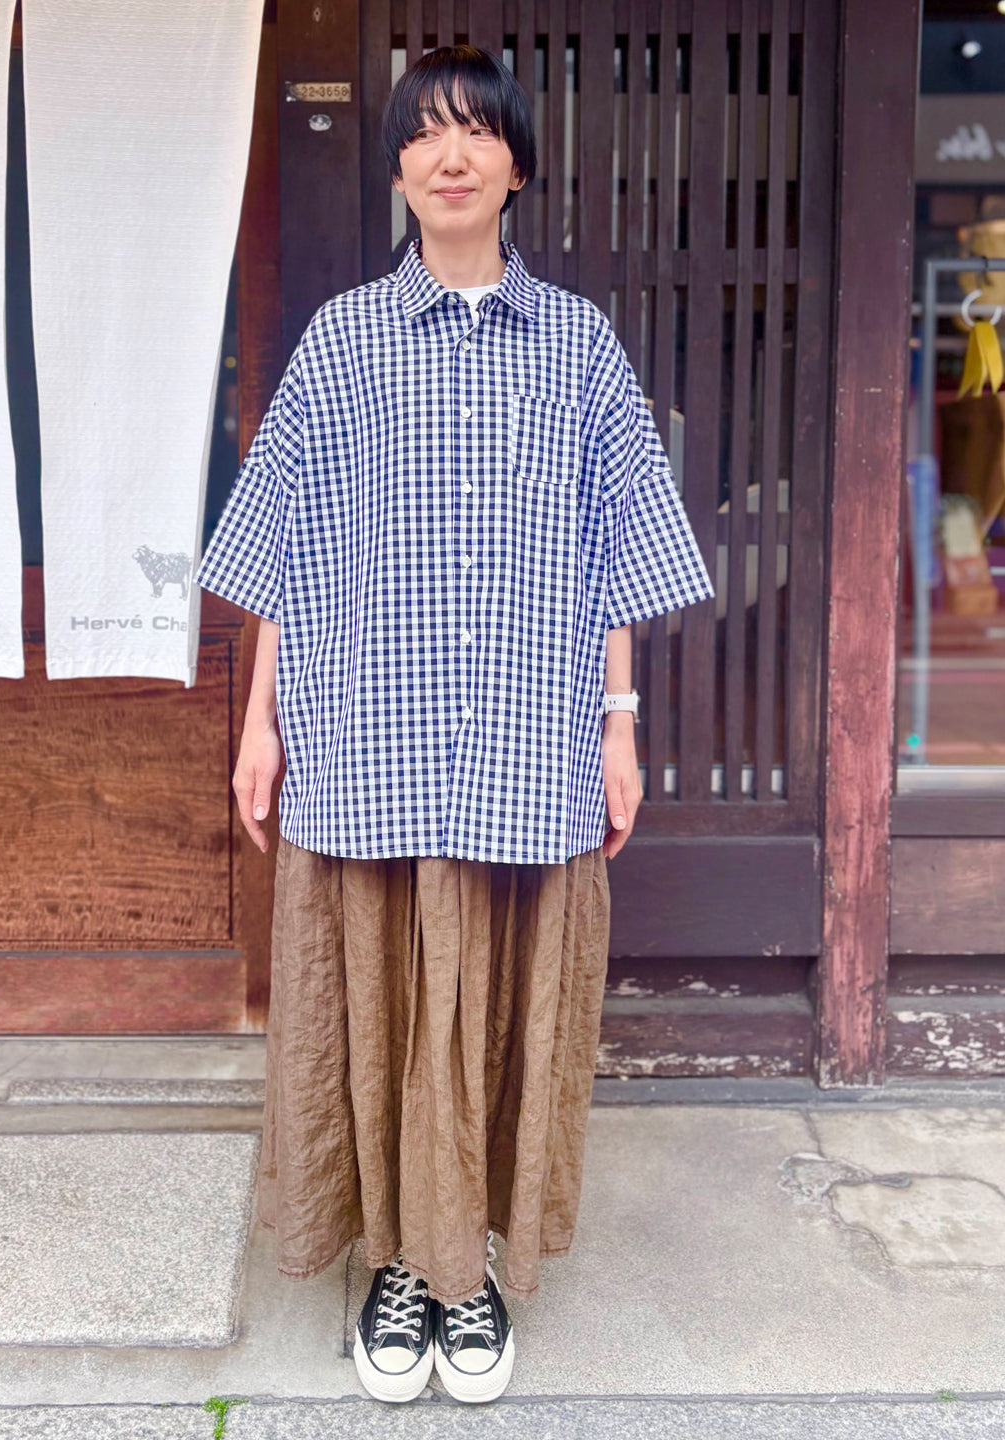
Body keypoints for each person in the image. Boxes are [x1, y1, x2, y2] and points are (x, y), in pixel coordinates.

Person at [193, 44, 713, 1407]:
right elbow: (284, 550)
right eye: (424, 133)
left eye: (477, 130)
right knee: (380, 1003)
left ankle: (466, 1266)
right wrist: (259, 726)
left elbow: (619, 554)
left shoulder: (580, 346)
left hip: (528, 740)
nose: (451, 155)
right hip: (367, 735)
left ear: (517, 165)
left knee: (498, 1007)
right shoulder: (342, 343)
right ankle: (396, 1264)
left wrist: (620, 726)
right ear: (398, 169)